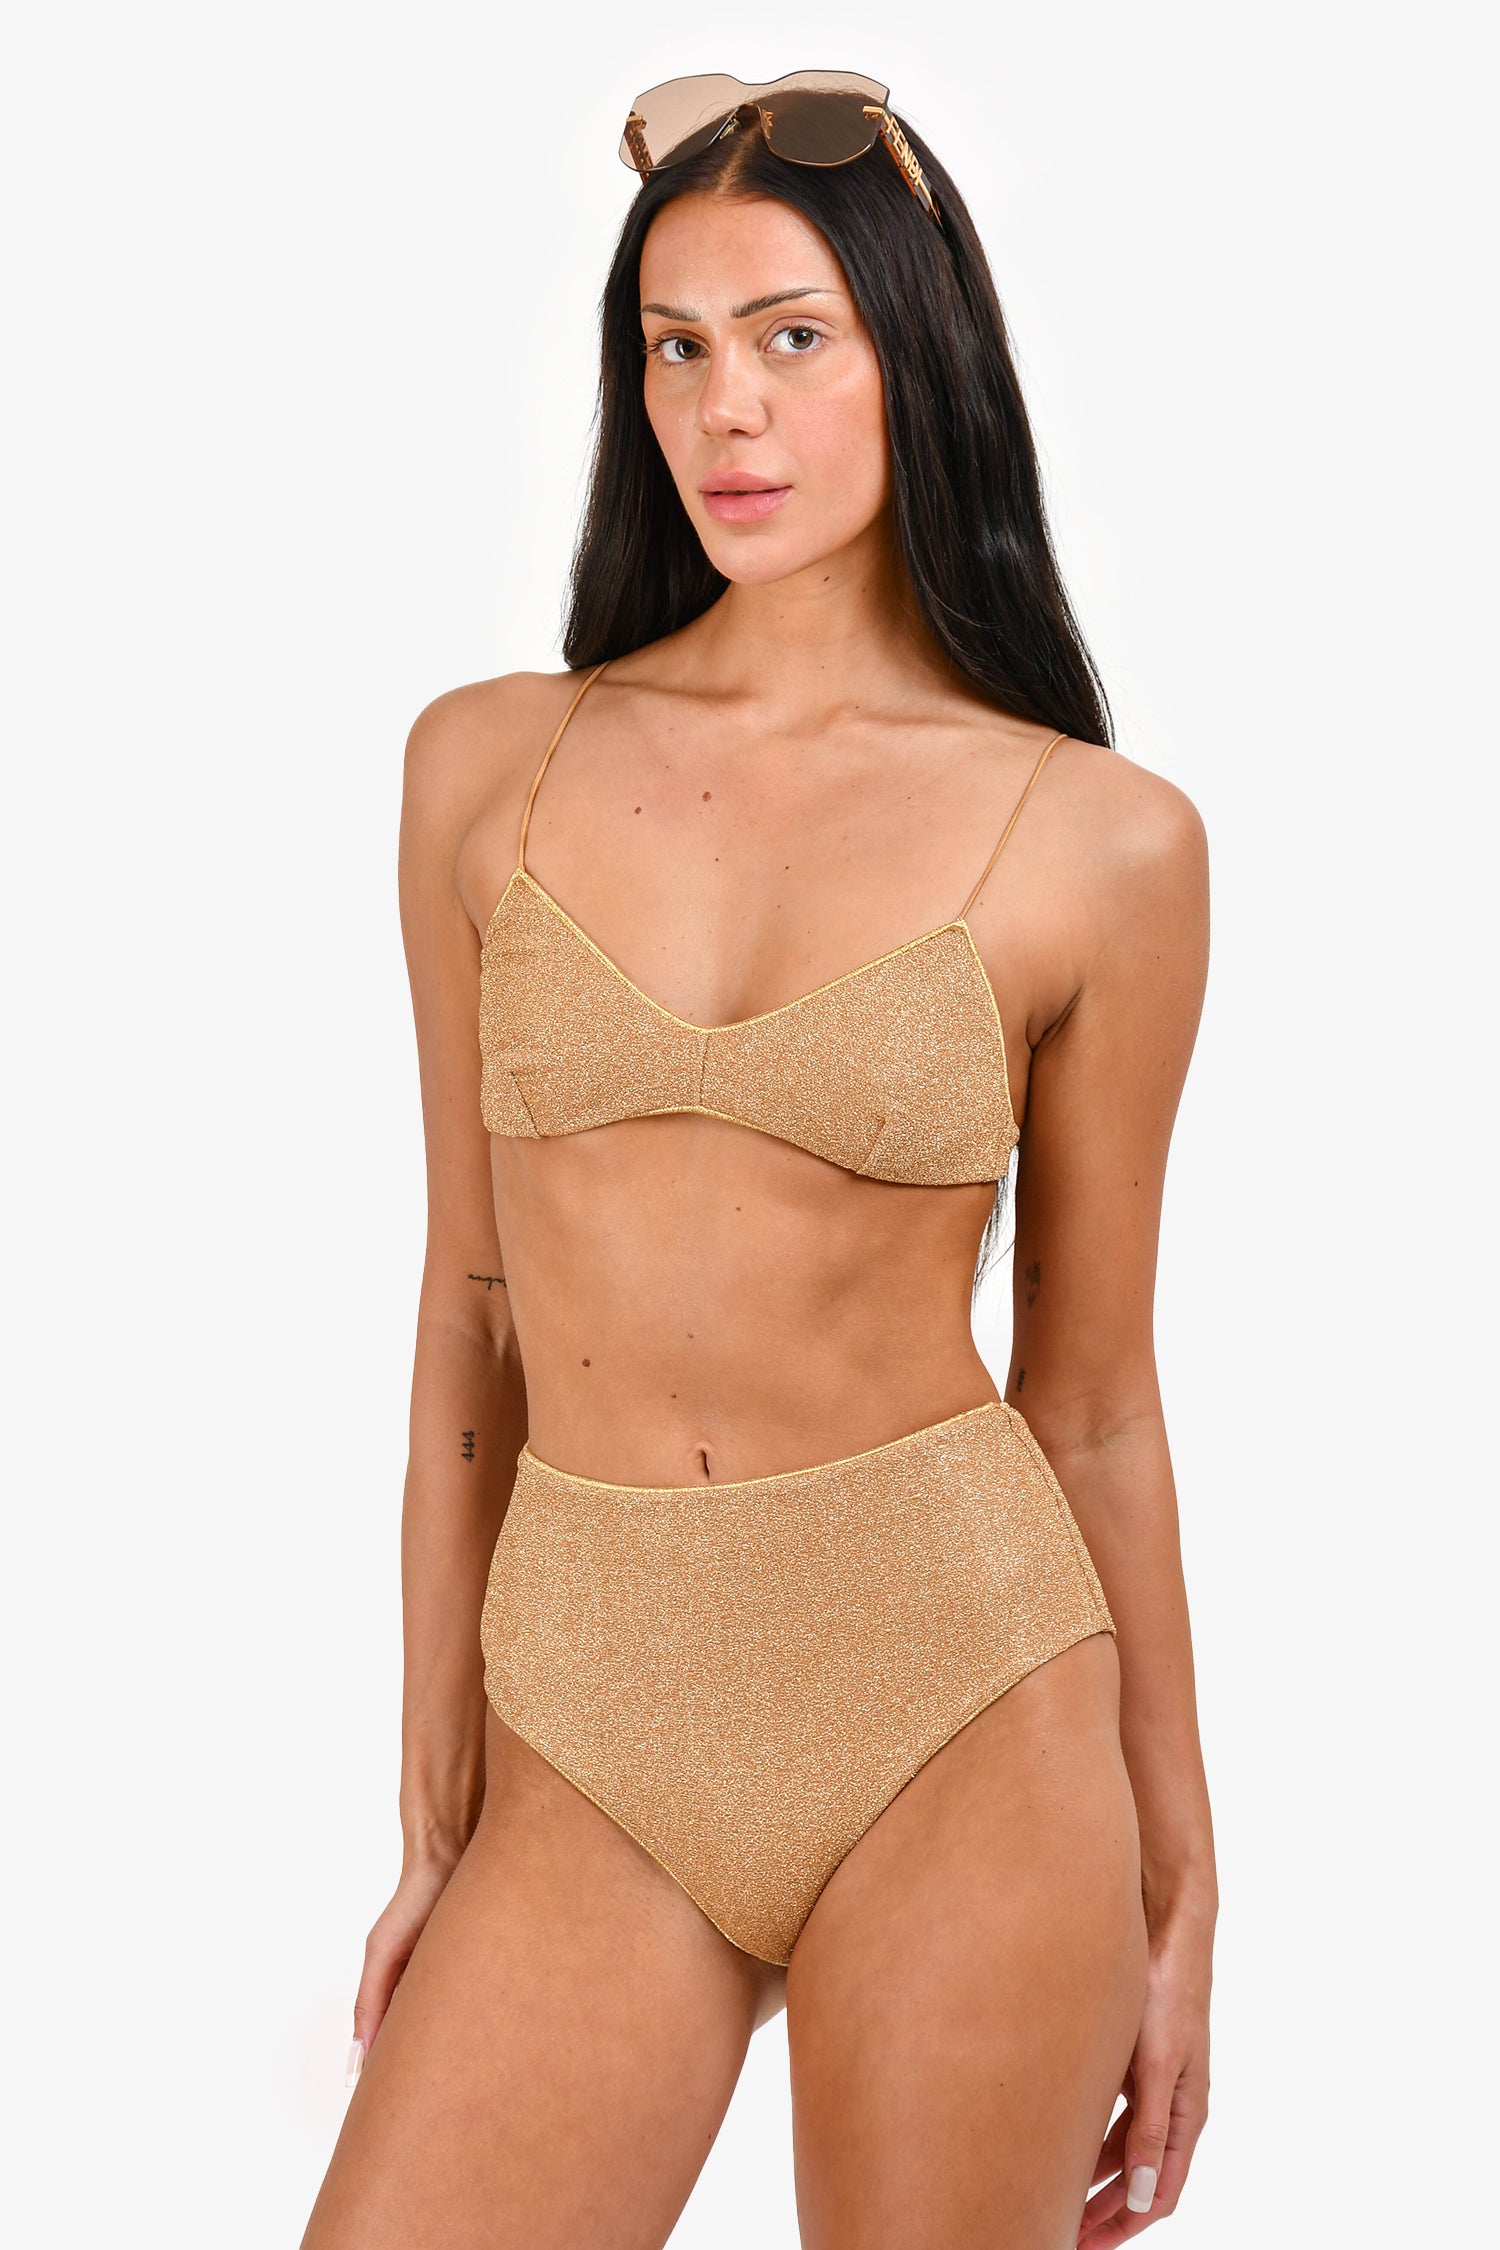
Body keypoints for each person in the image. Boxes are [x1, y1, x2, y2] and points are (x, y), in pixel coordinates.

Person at [300, 70, 1216, 2249]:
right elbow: (470, 1310)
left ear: (921, 356)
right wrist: (430, 1810)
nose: (727, 408)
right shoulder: (486, 769)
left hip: (962, 1695)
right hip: (594, 1701)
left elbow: (1092, 1402)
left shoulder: (1104, 840)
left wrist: (1184, 1885)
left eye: (796, 336)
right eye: (677, 345)